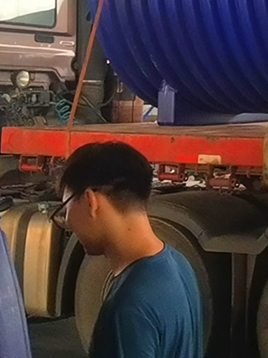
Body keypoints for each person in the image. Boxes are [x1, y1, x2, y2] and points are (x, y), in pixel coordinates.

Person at [54, 141, 203, 358]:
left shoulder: (128, 307)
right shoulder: (178, 263)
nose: (68, 221)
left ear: (91, 201)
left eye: (66, 208)